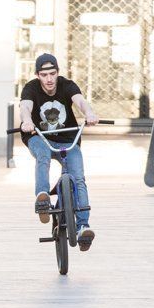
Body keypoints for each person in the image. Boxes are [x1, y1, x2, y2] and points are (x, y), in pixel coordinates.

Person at [20, 53, 99, 251]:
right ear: (38, 75)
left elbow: (80, 101)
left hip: (67, 138)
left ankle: (83, 227)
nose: (49, 79)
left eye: (52, 73)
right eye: (44, 74)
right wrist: (26, 120)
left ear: (58, 73)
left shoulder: (66, 85)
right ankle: (43, 199)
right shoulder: (31, 88)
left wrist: (89, 113)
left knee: (78, 178)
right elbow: (25, 106)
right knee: (43, 155)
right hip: (40, 137)